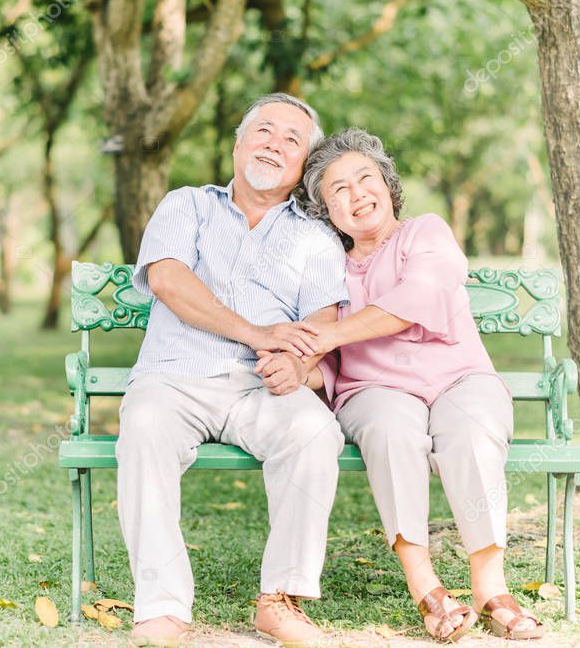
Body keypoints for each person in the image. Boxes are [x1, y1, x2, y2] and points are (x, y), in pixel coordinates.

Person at [295, 128, 545, 642]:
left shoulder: (425, 232)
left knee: (474, 430)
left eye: (366, 178)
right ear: (326, 211)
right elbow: (325, 361)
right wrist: (301, 365)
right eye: (337, 190)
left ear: (387, 185)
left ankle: (489, 585)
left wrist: (333, 334)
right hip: (373, 389)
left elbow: (420, 295)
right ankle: (425, 585)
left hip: (459, 376)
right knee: (390, 431)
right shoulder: (326, 269)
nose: (357, 194)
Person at [118, 94, 349, 647]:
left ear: (303, 169)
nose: (274, 143)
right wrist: (259, 333)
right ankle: (162, 603)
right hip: (175, 378)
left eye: (292, 139)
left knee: (315, 432)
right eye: (264, 131)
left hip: (259, 388)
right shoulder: (186, 205)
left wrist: (298, 362)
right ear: (238, 145)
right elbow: (170, 281)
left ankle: (281, 600)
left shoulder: (316, 238)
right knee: (144, 426)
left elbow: (321, 319)